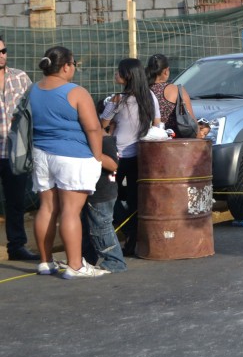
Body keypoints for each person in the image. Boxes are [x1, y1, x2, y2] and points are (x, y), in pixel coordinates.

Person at [30, 46, 118, 279]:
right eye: (74, 65)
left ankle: (45, 262)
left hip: (41, 153)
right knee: (70, 211)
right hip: (72, 156)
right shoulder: (76, 92)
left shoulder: (33, 90)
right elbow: (93, 127)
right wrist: (98, 156)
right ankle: (75, 265)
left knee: (47, 208)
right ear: (67, 66)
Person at [101, 58, 161, 258]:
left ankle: (127, 231)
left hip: (116, 156)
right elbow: (158, 124)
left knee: (111, 195)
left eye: (119, 72)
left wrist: (112, 110)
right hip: (140, 155)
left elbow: (103, 123)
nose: (115, 75)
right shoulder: (149, 96)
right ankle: (132, 236)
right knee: (135, 198)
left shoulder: (119, 99)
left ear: (128, 75)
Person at [0, 35, 38, 261]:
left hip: (15, 151)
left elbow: (32, 109)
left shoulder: (20, 77)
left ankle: (17, 246)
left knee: (15, 202)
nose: (2, 56)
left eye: (4, 51)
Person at [80, 134, 125, 272]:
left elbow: (113, 165)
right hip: (93, 192)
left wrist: (92, 151)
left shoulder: (104, 141)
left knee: (101, 228)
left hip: (102, 193)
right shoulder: (95, 139)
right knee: (88, 228)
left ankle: (114, 260)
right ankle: (87, 258)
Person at [146, 54, 210, 138]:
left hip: (147, 143)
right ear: (166, 71)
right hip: (176, 144)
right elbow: (192, 122)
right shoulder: (177, 90)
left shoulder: (142, 91)